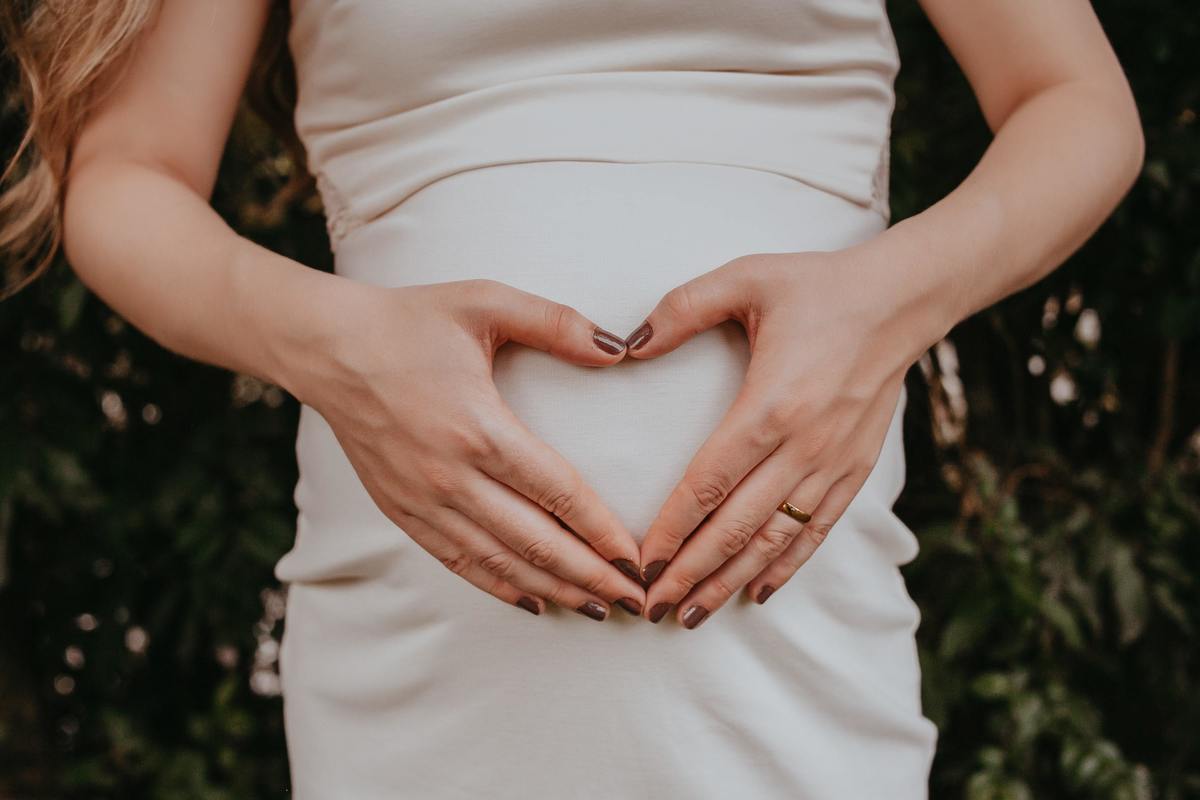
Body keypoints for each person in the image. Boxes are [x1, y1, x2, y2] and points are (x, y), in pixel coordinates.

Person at [1, 0, 1143, 797]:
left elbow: (1078, 104)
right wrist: (337, 347)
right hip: (425, 643)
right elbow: (127, 176)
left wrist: (887, 303)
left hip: (793, 632)